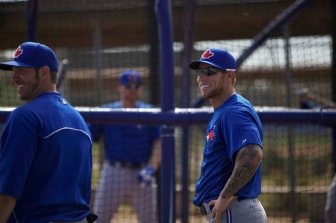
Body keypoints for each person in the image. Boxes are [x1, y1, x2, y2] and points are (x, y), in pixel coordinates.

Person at [0, 42, 95, 223]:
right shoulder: (78, 120)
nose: (14, 77)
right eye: (14, 71)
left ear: (43, 72)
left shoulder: (25, 117)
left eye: (22, 70)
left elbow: (7, 192)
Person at [189, 48, 267, 223]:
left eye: (209, 71)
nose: (202, 77)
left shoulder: (234, 111)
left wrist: (224, 197)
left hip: (233, 211)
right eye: (200, 71)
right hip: (233, 212)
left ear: (229, 76)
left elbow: (252, 155)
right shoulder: (224, 110)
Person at [91, 70, 161, 223]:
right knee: (99, 218)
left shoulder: (149, 111)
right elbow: (89, 138)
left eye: (137, 86)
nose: (133, 89)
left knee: (149, 220)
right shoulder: (107, 111)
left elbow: (158, 142)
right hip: (114, 171)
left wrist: (151, 168)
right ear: (120, 88)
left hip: (142, 172)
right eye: (128, 86)